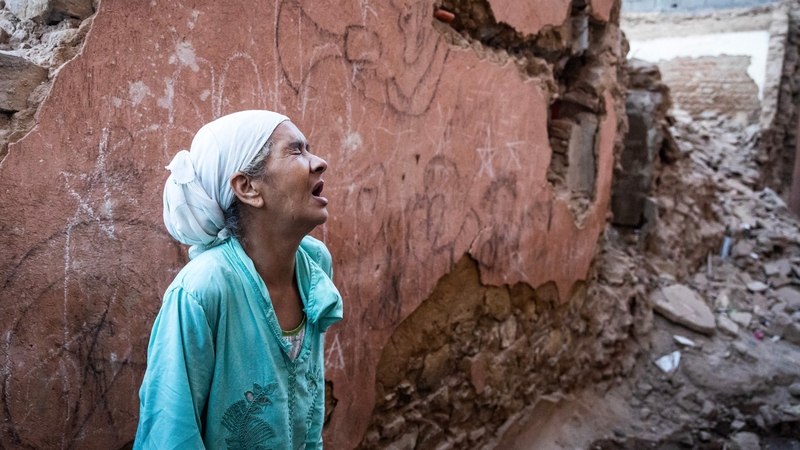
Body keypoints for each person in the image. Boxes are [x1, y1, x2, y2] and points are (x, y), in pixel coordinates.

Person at [134, 110, 343, 450]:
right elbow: (170, 432)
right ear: (247, 187)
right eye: (296, 151)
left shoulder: (313, 264)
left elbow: (310, 403)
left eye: (309, 148)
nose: (318, 163)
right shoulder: (201, 290)